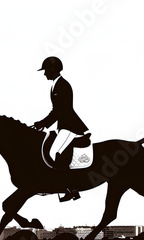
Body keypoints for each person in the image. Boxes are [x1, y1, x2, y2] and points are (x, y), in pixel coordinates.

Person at [33, 56, 90, 202]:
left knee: (55, 152)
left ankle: (72, 189)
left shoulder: (63, 85)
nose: (44, 73)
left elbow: (60, 111)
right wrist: (42, 123)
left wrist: (43, 123)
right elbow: (56, 110)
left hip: (71, 126)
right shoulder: (55, 85)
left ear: (52, 70)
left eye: (46, 70)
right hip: (64, 125)